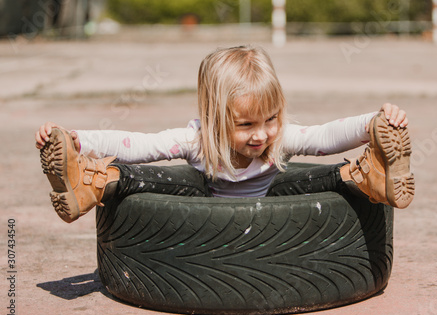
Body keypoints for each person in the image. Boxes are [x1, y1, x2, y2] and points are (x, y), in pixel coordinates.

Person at [35, 45, 414, 223]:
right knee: (148, 177)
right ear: (214, 119)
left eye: (270, 119)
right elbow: (136, 144)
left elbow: (326, 135)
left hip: (272, 209)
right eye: (245, 125)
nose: (261, 135)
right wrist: (78, 140)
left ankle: (368, 175)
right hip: (206, 209)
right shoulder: (197, 141)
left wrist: (372, 124)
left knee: (325, 176)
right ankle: (88, 182)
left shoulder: (278, 138)